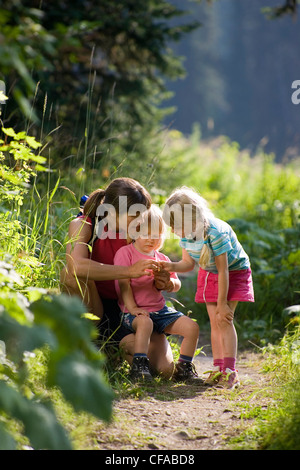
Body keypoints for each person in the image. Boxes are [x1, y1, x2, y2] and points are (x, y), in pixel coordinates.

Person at [60, 177, 174, 378]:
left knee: (164, 369)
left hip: (129, 308)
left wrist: (161, 281)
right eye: (135, 215)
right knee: (69, 274)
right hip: (94, 305)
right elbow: (76, 266)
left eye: (143, 214)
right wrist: (129, 271)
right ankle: (85, 343)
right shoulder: (84, 223)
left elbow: (155, 261)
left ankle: (114, 349)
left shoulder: (137, 230)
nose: (141, 221)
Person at [161, 186, 255, 389]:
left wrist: (223, 304)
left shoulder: (215, 232)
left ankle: (230, 372)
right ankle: (218, 368)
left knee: (224, 319)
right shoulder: (186, 235)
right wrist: (170, 266)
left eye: (175, 226)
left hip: (233, 273)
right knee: (214, 322)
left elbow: (224, 271)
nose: (172, 231)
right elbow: (188, 264)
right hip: (209, 272)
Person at [114, 205, 200, 382]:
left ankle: (183, 369)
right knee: (145, 323)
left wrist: (169, 283)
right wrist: (133, 308)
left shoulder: (162, 259)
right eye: (145, 233)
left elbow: (177, 284)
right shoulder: (126, 253)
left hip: (159, 311)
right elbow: (123, 286)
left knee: (192, 328)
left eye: (156, 235)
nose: (151, 239)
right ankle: (139, 365)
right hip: (132, 314)